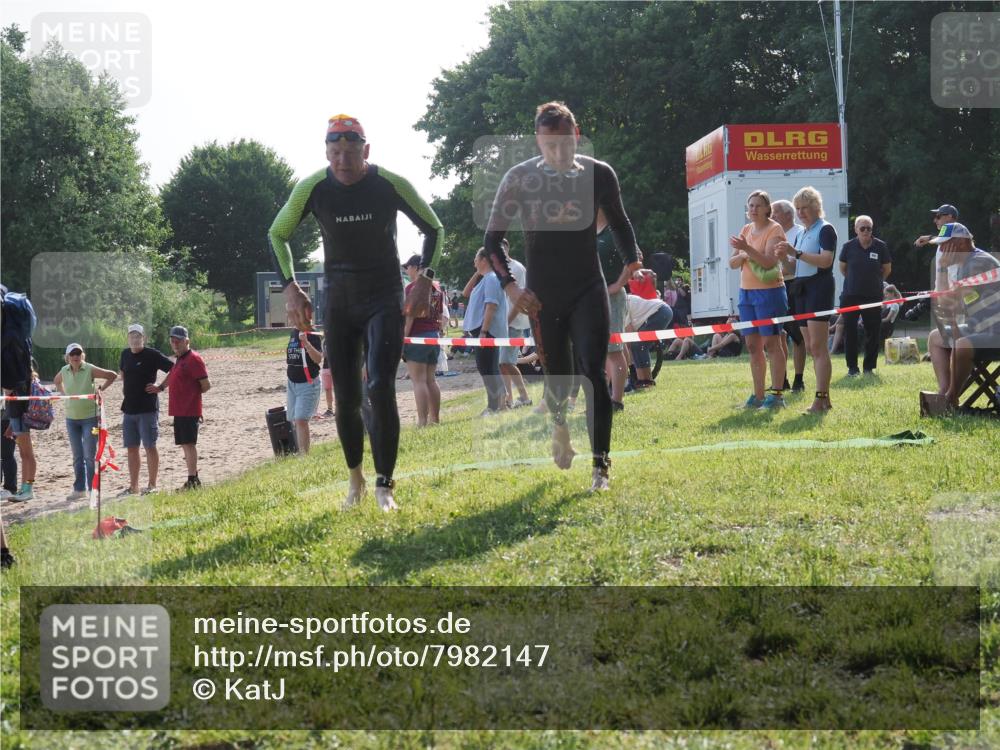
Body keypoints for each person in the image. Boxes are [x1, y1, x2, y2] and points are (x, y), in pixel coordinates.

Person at [269, 114, 442, 512]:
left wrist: (425, 280)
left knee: (380, 386)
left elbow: (435, 228)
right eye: (335, 153)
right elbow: (277, 234)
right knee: (346, 397)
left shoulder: (389, 184)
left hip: (384, 296)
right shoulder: (313, 187)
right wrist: (290, 287)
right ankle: (355, 480)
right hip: (340, 300)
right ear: (326, 153)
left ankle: (385, 485)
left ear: (367, 151)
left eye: (350, 152)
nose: (342, 161)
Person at [483, 101, 640, 492]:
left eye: (566, 143)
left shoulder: (598, 173)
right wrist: (512, 287)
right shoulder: (519, 178)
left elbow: (620, 221)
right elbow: (492, 239)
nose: (559, 152)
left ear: (577, 135)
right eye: (550, 145)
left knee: (593, 373)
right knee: (556, 380)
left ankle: (601, 467)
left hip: (588, 286)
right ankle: (560, 429)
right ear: (538, 141)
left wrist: (631, 259)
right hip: (542, 295)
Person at [777, 186, 837, 413]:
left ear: (816, 207)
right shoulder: (802, 233)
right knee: (811, 346)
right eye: (798, 209)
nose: (801, 213)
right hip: (801, 289)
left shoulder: (825, 229)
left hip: (819, 288)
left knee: (819, 347)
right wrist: (784, 257)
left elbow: (826, 260)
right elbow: (795, 268)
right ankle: (824, 399)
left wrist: (796, 253)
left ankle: (820, 399)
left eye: (805, 208)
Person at [925, 223, 1000, 406]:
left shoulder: (977, 263)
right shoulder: (965, 264)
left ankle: (951, 397)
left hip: (996, 332)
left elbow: (945, 302)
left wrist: (942, 268)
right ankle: (943, 394)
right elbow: (948, 303)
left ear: (960, 243)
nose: (941, 250)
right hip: (982, 329)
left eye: (945, 244)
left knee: (962, 345)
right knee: (935, 338)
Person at [729, 190, 787, 410]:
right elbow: (732, 263)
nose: (753, 209)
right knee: (753, 346)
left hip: (769, 292)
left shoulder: (775, 229)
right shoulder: (746, 230)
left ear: (767, 209)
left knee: (772, 343)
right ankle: (758, 395)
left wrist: (746, 250)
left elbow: (768, 262)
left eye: (758, 205)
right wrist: (744, 253)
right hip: (746, 293)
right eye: (750, 205)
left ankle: (777, 395)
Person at [53, 343, 116, 502]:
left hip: (90, 418)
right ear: (67, 357)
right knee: (77, 456)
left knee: (89, 456)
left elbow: (112, 375)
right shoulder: (64, 370)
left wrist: (101, 389)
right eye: (72, 354)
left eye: (78, 353)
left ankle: (93, 490)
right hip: (71, 419)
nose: (75, 356)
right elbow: (56, 381)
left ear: (82, 355)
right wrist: (64, 395)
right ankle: (79, 489)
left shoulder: (89, 368)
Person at [118, 323, 174, 496]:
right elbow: (123, 373)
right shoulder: (125, 354)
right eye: (132, 336)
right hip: (129, 409)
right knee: (132, 448)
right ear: (128, 338)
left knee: (150, 446)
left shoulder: (152, 354)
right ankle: (133, 487)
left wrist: (161, 387)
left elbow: (174, 369)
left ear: (144, 338)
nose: (135, 339)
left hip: (147, 409)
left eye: (138, 336)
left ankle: (152, 485)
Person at [155, 326, 210, 491]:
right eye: (172, 341)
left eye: (178, 341)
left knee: (189, 444)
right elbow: (172, 375)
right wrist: (160, 387)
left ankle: (193, 480)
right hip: (179, 410)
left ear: (187, 341)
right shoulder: (180, 359)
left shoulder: (194, 359)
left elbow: (206, 385)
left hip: (188, 410)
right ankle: (193, 478)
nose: (175, 344)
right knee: (185, 444)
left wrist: (193, 399)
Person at [838, 215, 892, 376]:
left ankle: (869, 368)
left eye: (869, 228)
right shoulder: (848, 246)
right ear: (856, 229)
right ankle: (852, 368)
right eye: (862, 228)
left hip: (873, 296)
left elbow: (887, 269)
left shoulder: (880, 246)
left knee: (873, 332)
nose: (866, 231)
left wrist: (876, 282)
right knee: (850, 332)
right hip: (850, 296)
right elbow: (843, 268)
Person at [402, 253, 449, 425]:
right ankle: (434, 419)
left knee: (419, 381)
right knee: (431, 380)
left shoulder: (412, 288)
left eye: (408, 267)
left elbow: (410, 317)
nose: (407, 271)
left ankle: (422, 421)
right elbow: (440, 315)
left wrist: (403, 340)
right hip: (433, 336)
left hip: (417, 337)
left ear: (415, 268)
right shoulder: (436, 287)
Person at [596, 206, 634, 411]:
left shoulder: (616, 230)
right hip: (590, 298)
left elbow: (634, 259)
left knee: (613, 350)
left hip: (612, 298)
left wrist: (618, 285)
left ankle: (616, 401)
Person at [463, 249, 509, 415]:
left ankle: (494, 406)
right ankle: (500, 405)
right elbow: (465, 293)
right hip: (484, 331)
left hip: (487, 332)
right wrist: (478, 272)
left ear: (484, 260)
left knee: (487, 368)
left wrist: (483, 331)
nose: (474, 261)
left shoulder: (491, 278)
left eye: (476, 258)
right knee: (489, 368)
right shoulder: (486, 278)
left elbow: (491, 305)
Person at [773, 199, 806, 392]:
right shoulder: (772, 233)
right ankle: (781, 379)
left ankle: (799, 380)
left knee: (797, 335)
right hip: (774, 286)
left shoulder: (799, 233)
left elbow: (796, 265)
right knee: (777, 334)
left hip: (793, 286)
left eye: (775, 212)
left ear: (788, 214)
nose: (772, 216)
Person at [495, 241, 533, 409]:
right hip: (502, 323)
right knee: (503, 364)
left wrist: (507, 321)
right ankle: (509, 399)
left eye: (501, 249)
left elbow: (520, 299)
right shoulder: (498, 269)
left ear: (507, 249)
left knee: (507, 362)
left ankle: (524, 397)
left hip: (514, 323)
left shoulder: (516, 268)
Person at [286, 327, 324, 452]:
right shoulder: (293, 333)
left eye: (293, 317)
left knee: (301, 420)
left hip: (308, 383)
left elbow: (318, 359)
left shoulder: (311, 334)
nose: (290, 319)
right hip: (292, 383)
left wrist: (306, 342)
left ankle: (304, 456)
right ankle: (299, 452)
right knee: (294, 419)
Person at [624, 293, 673, 387]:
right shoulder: (621, 302)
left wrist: (629, 365)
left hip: (660, 311)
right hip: (661, 310)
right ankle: (642, 381)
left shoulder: (621, 305)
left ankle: (645, 381)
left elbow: (630, 336)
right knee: (637, 346)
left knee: (639, 345)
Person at [916, 204, 961, 292]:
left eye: (938, 216)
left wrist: (929, 238)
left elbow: (946, 240)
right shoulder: (950, 234)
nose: (935, 220)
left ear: (949, 217)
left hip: (955, 291)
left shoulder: (952, 228)